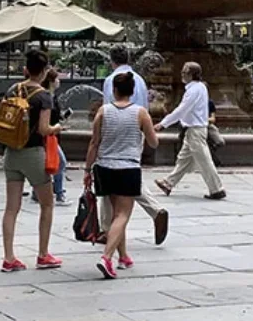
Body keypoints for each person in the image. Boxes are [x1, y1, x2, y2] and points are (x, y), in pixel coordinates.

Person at [85, 70, 159, 279]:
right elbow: (154, 143)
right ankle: (107, 257)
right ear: (133, 91)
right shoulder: (141, 113)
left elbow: (94, 142)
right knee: (123, 215)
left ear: (114, 91)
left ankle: (124, 256)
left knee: (116, 214)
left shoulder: (103, 111)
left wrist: (87, 169)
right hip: (128, 168)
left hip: (104, 167)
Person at [1, 48, 64, 273]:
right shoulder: (43, 96)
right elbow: (44, 128)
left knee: (11, 207)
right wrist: (58, 127)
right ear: (45, 71)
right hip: (33, 153)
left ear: (25, 69)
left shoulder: (13, 89)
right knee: (47, 203)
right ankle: (43, 254)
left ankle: (9, 257)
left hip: (11, 152)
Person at [100, 46, 169, 246]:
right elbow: (145, 111)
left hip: (114, 133)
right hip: (135, 132)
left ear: (112, 60)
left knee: (108, 180)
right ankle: (155, 211)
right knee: (129, 174)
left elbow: (107, 109)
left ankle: (106, 228)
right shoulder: (139, 79)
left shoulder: (111, 80)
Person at [154, 62, 226, 199]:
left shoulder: (193, 91)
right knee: (183, 159)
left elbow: (181, 110)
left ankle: (217, 189)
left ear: (192, 74)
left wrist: (163, 124)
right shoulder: (199, 88)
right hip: (193, 130)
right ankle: (168, 183)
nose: (182, 74)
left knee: (204, 160)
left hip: (195, 130)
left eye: (184, 72)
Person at [32, 68, 68, 205]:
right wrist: (57, 127)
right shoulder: (46, 97)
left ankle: (38, 193)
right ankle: (59, 193)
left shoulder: (52, 96)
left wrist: (61, 120)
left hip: (51, 135)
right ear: (52, 81)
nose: (59, 81)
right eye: (57, 79)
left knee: (49, 163)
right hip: (47, 135)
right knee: (60, 162)